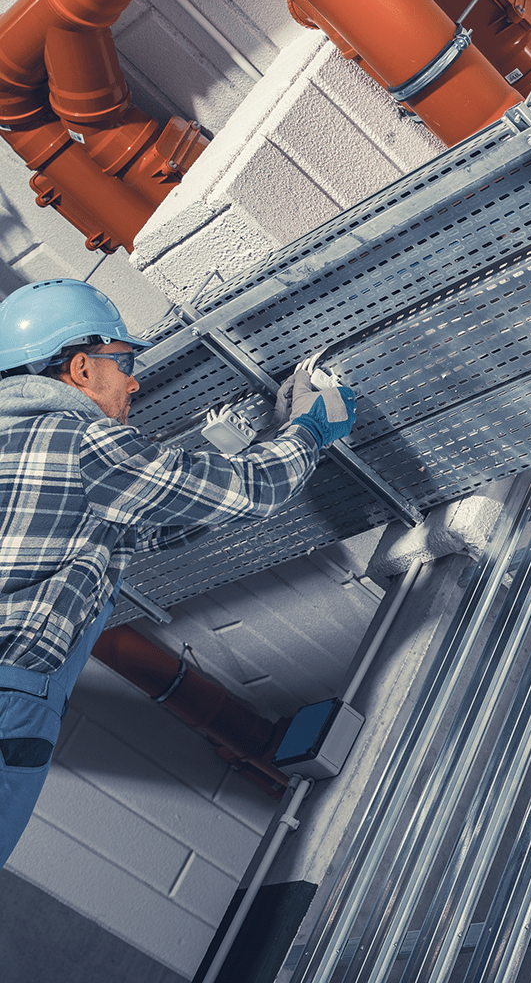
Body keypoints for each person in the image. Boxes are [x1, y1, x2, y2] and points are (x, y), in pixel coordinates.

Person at [0, 277, 356, 867]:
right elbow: (252, 491)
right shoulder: (81, 441)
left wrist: (218, 461)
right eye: (125, 362)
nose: (135, 380)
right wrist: (308, 432)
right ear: (82, 368)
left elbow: (143, 528)